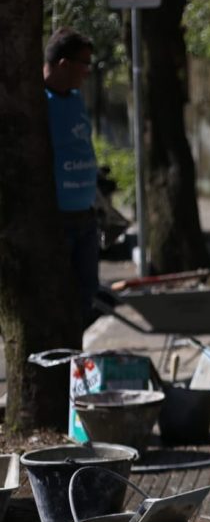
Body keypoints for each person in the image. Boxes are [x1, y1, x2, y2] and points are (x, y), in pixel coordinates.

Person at [44, 28, 100, 327]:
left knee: (89, 297)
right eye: (84, 64)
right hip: (58, 219)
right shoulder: (38, 101)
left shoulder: (76, 98)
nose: (88, 72)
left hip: (85, 216)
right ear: (64, 64)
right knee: (58, 301)